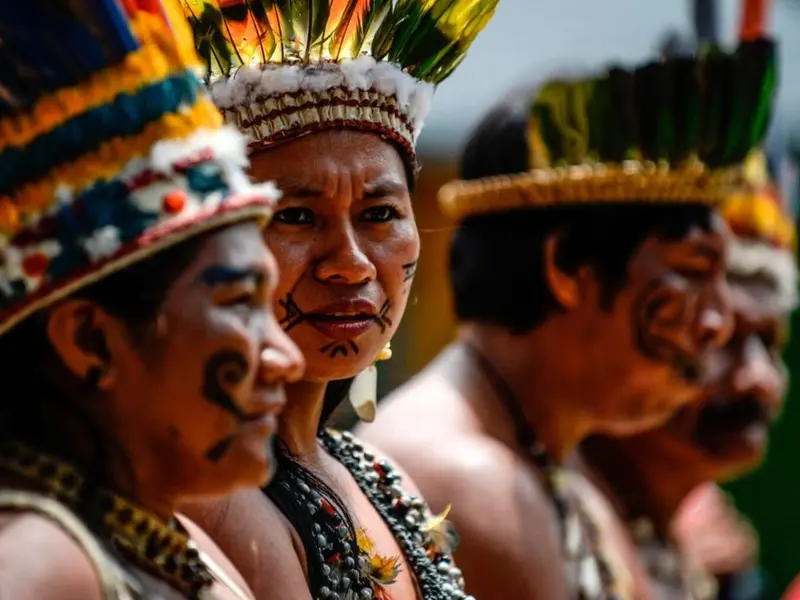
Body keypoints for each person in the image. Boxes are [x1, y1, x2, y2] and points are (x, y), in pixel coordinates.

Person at [356, 24, 778, 600]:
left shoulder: (550, 463)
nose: (718, 321)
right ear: (569, 270)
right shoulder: (474, 480)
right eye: (694, 271)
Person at [180, 2, 498, 599]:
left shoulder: (379, 477)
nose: (350, 262)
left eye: (379, 215)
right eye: (296, 217)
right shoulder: (214, 495)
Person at [0, 1, 304, 598]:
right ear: (92, 340)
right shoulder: (41, 565)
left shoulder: (169, 541)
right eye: (241, 302)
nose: (285, 357)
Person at [580, 148, 796, 600]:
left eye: (770, 343)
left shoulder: (711, 542)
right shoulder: (555, 521)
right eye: (719, 340)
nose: (758, 379)